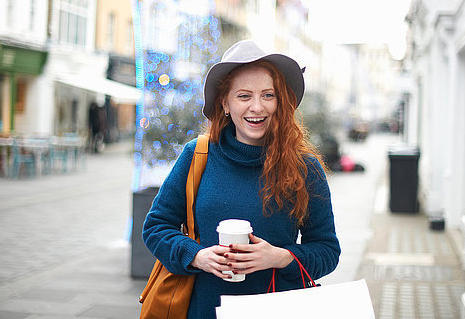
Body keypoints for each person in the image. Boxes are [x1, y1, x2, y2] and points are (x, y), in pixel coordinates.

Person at [142, 40, 341, 319]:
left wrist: (280, 257)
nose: (257, 107)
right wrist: (197, 256)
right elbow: (155, 227)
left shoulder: (305, 169)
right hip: (204, 311)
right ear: (225, 102)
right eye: (244, 96)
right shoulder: (197, 155)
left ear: (281, 102)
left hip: (278, 310)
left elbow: (328, 251)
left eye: (268, 95)